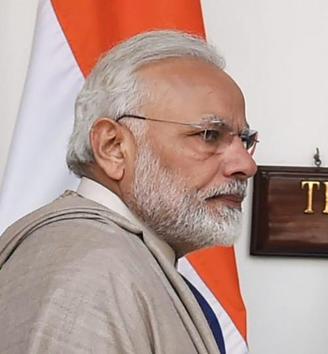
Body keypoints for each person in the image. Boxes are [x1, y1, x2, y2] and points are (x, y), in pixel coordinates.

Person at [0, 30, 257, 354]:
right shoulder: (91, 273)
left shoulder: (119, 259)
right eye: (209, 135)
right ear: (113, 148)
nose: (246, 165)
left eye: (245, 140)